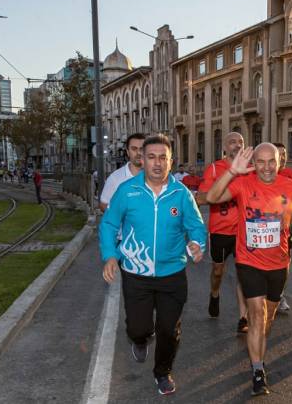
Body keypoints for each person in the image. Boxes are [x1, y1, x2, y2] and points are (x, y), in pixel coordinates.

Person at [99, 134, 206, 396]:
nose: (157, 163)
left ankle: (162, 372)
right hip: (136, 273)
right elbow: (110, 223)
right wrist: (110, 255)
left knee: (169, 330)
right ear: (141, 160)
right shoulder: (127, 190)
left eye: (163, 158)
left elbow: (196, 225)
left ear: (171, 162)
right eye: (151, 157)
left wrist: (197, 244)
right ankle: (139, 338)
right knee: (139, 327)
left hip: (172, 273)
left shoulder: (181, 194)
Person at [207, 143, 292, 396]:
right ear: (254, 163)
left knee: (267, 320)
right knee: (256, 315)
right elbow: (212, 198)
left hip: (279, 262)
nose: (266, 168)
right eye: (261, 162)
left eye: (272, 162)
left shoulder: (290, 187)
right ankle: (258, 369)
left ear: (279, 162)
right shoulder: (244, 183)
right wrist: (232, 172)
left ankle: (258, 351)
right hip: (248, 260)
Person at [196, 132, 248, 332]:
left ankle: (243, 318)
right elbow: (202, 198)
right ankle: (214, 294)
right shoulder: (215, 168)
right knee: (218, 271)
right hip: (220, 231)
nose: (237, 145)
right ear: (224, 148)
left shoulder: (249, 169)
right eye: (233, 142)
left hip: (243, 232)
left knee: (243, 274)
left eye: (241, 142)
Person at [273, 142, 292, 312]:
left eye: (285, 154)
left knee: (285, 260)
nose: (282, 157)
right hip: (266, 223)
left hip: (287, 223)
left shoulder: (291, 174)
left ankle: (280, 295)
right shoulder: (263, 173)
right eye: (279, 154)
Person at [99, 133, 146, 212]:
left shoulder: (156, 176)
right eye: (134, 149)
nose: (138, 153)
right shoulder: (115, 179)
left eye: (142, 149)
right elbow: (104, 205)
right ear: (128, 152)